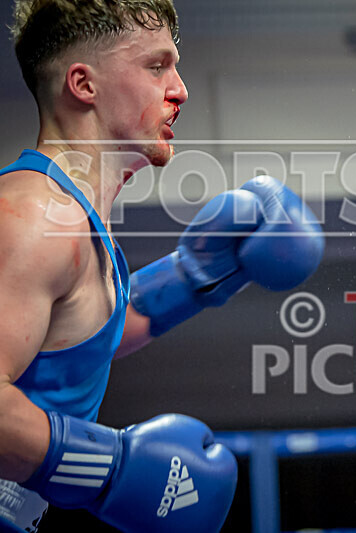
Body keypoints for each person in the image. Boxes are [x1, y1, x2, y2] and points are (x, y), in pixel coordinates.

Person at [0, 1, 324, 532]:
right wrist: (109, 468)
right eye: (156, 66)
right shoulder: (34, 216)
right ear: (84, 84)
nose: (180, 89)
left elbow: (74, 342)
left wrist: (194, 277)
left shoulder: (76, 223)